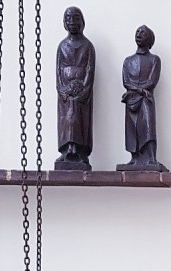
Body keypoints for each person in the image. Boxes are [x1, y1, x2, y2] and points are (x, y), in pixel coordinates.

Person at [117, 25, 168, 172]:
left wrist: (139, 90)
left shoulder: (154, 60)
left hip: (146, 99)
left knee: (147, 126)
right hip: (132, 98)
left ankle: (151, 158)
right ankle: (134, 158)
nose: (139, 34)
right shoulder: (128, 60)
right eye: (137, 32)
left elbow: (152, 81)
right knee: (132, 127)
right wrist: (139, 90)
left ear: (150, 39)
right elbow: (126, 82)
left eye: (143, 33)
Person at [55, 7, 95, 170]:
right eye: (69, 19)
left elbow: (90, 68)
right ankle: (67, 149)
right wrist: (62, 89)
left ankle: (79, 151)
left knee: (79, 118)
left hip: (81, 92)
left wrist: (85, 88)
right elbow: (58, 71)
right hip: (66, 89)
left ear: (82, 21)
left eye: (76, 19)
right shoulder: (62, 46)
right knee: (66, 119)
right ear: (65, 22)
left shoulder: (88, 46)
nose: (73, 23)